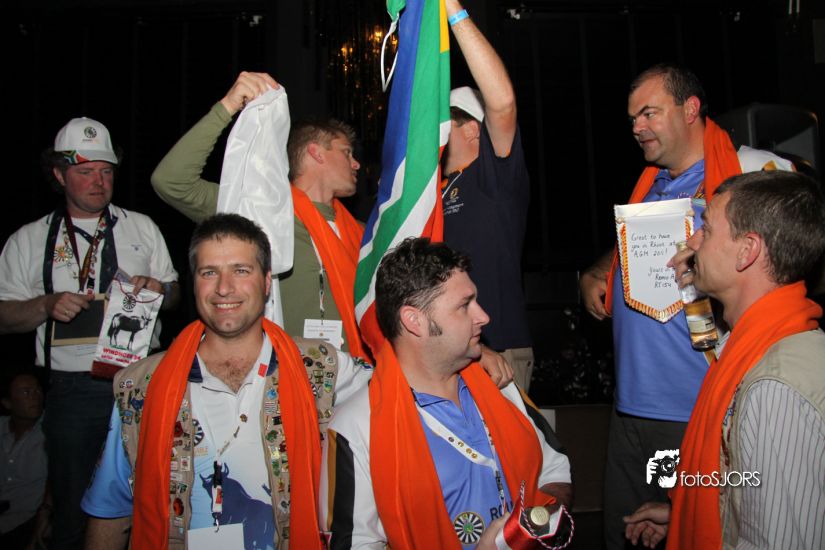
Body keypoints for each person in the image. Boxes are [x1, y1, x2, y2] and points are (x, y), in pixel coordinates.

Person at [578, 64, 794, 548]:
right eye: (633, 118)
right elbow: (637, 247)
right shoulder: (651, 186)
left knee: (697, 531)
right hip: (630, 406)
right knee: (626, 533)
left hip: (693, 406)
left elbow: (791, 251)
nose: (637, 127)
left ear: (690, 109)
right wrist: (598, 270)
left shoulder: (747, 174)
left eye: (649, 113)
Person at [82, 213, 372, 550]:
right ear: (194, 283)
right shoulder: (140, 386)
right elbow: (111, 510)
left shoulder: (325, 368)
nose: (223, 288)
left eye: (241, 270)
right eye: (209, 272)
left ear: (267, 282)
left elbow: (402, 398)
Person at [319, 238, 571, 549]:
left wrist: (534, 524)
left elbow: (555, 470)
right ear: (414, 321)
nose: (483, 316)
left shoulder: (500, 385)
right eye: (465, 305)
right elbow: (354, 543)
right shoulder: (356, 427)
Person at [0, 117, 180, 549]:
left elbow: (175, 293)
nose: (99, 181)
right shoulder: (28, 240)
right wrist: (45, 305)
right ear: (60, 174)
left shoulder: (142, 227)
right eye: (85, 171)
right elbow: (4, 316)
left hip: (141, 380)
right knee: (74, 506)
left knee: (153, 496)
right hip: (72, 390)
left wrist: (160, 289)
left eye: (106, 171)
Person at [624, 171, 825, 549]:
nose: (692, 241)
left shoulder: (774, 387)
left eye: (707, 229)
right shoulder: (748, 346)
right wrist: (689, 512)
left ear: (747, 251)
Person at [150, 72, 369, 360]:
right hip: (279, 371)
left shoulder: (362, 232)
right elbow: (171, 182)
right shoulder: (257, 211)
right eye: (347, 152)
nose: (356, 163)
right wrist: (227, 107)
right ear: (316, 153)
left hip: (354, 373)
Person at [441, 0, 534, 391]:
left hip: (498, 349)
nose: (435, 131)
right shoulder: (435, 190)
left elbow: (503, 104)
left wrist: (453, 11)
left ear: (472, 130)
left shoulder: (492, 176)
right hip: (444, 349)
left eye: (445, 122)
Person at [0, 369, 49, 549]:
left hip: (28, 523)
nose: (35, 396)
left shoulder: (52, 430)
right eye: (26, 392)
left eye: (37, 390)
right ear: (7, 402)